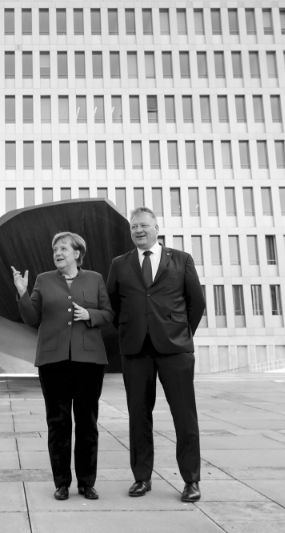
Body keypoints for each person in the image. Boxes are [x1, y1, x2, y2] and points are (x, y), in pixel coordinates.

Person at [106, 207, 206, 502]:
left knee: (184, 416)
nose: (138, 230)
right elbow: (112, 305)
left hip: (175, 350)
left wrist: (180, 333)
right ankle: (141, 477)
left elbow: (196, 304)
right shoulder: (120, 264)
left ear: (157, 228)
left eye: (144, 225)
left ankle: (191, 480)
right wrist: (128, 330)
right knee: (138, 416)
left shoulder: (181, 260)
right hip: (136, 352)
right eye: (134, 226)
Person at [12, 232, 114, 501]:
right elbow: (31, 316)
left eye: (64, 249)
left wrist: (90, 314)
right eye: (55, 249)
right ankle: (61, 482)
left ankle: (86, 482)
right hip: (52, 361)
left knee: (87, 423)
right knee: (58, 423)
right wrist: (23, 293)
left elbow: (109, 313)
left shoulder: (95, 279)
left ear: (77, 253)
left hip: (89, 362)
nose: (58, 253)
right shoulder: (44, 280)